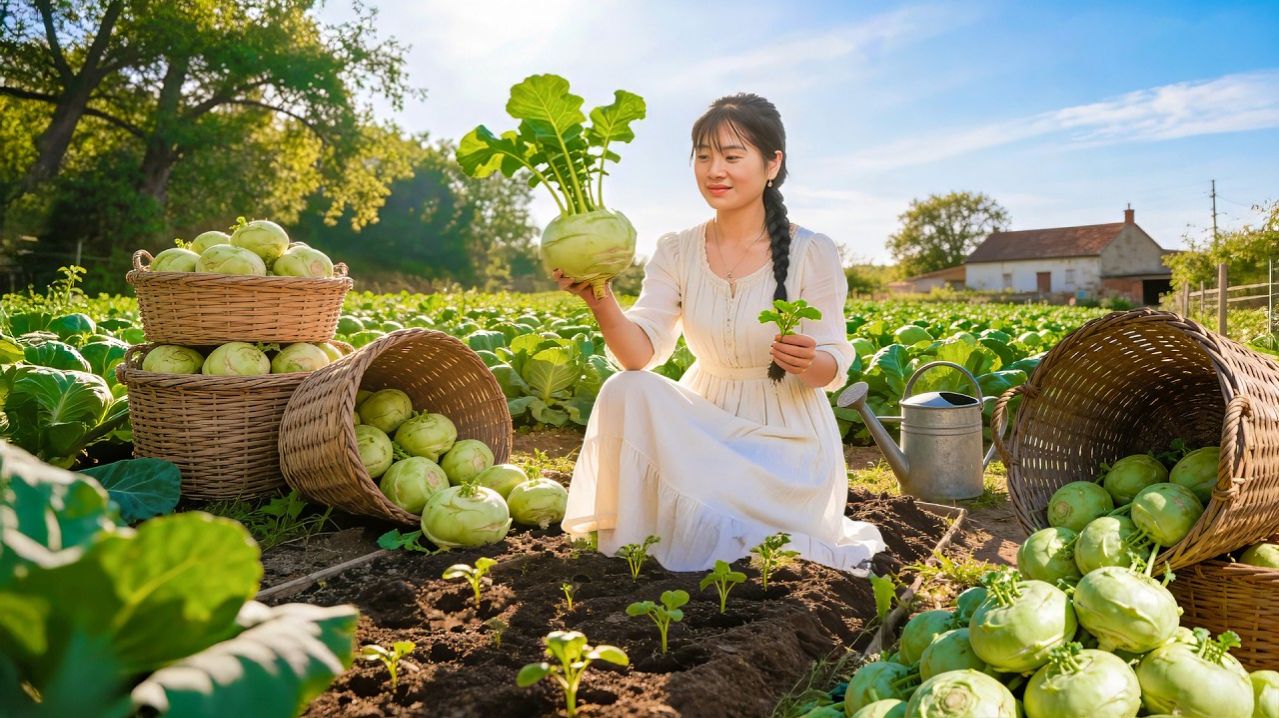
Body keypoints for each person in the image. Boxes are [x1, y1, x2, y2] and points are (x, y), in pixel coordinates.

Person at [552, 93, 884, 574]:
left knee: (745, 536)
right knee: (625, 387)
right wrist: (598, 296)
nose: (715, 171)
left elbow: (832, 365)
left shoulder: (813, 251)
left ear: (772, 164)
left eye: (732, 156)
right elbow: (638, 355)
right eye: (704, 156)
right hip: (703, 431)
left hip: (786, 448)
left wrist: (809, 360)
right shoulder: (677, 249)